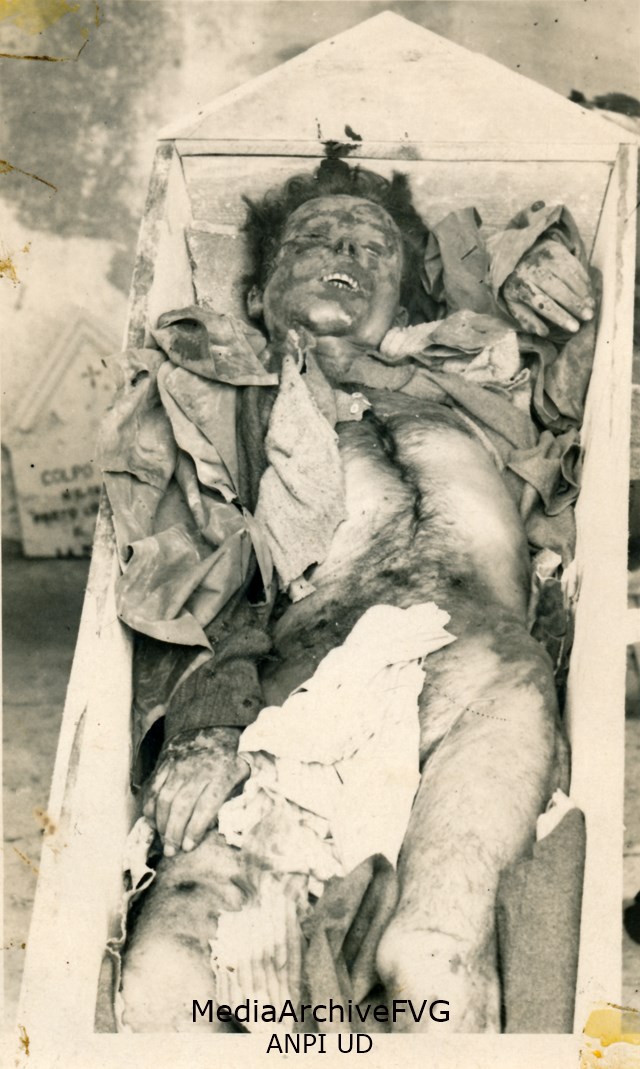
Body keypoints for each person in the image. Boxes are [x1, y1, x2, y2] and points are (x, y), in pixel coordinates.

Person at [107, 159, 596, 1032]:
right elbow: (187, 590)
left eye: (373, 247)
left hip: (484, 679)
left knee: (435, 959)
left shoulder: (478, 383)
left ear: (403, 298)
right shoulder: (219, 404)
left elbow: (580, 357)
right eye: (316, 240)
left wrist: (547, 269)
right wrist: (208, 725)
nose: (347, 253)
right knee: (167, 975)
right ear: (256, 295)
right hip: (302, 691)